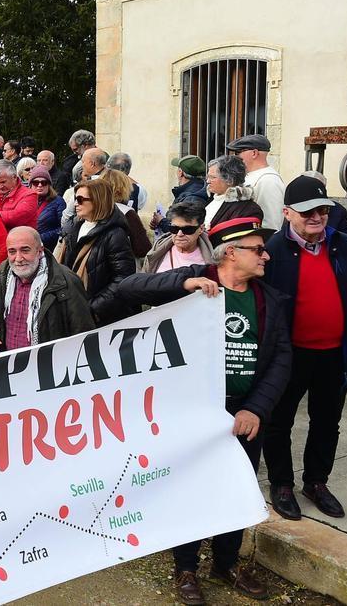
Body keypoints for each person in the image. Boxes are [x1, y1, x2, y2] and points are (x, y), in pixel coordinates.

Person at [116, 217, 290, 604]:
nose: (265, 256)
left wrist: (256, 409)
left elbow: (281, 359)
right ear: (231, 253)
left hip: (244, 415)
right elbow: (127, 288)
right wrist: (184, 284)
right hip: (195, 412)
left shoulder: (269, 299)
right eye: (257, 249)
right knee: (191, 490)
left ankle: (226, 563)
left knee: (235, 490)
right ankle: (186, 568)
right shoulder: (195, 280)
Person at [263, 176, 347, 521]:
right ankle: (282, 483)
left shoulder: (343, 245)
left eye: (322, 210)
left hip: (334, 354)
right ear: (287, 213)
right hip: (289, 356)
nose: (317, 217)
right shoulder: (272, 251)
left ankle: (316, 482)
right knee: (279, 422)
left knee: (326, 422)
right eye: (307, 211)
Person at [0, 226, 94, 353]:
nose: (18, 258)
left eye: (25, 250)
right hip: (9, 361)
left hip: (49, 361)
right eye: (12, 251)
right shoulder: (3, 272)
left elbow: (83, 332)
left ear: (40, 251)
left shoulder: (66, 281)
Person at [61, 178, 137, 326]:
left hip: (101, 317)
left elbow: (123, 279)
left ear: (98, 200)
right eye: (75, 199)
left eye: (80, 199)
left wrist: (92, 308)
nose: (75, 204)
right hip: (73, 306)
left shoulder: (115, 235)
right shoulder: (74, 228)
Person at [227, 134, 285, 231]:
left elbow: (271, 224)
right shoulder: (251, 175)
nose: (235, 157)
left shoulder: (268, 180)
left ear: (254, 153)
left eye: (238, 152)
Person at [142, 201, 213, 273]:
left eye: (187, 229)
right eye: (174, 228)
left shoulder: (213, 252)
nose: (179, 234)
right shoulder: (158, 248)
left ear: (201, 229)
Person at [99, 168, 152, 258]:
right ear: (124, 189)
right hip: (122, 262)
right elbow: (142, 249)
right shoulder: (127, 213)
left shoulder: (91, 210)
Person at [150, 155, 209, 234]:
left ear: (180, 172)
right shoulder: (196, 189)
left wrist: (161, 221)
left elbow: (184, 229)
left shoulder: (192, 197)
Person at [204, 154, 263, 229]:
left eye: (213, 177)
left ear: (230, 180)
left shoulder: (248, 210)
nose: (208, 181)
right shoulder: (210, 199)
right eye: (208, 177)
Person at [0, 160, 39, 230]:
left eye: (3, 182)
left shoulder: (30, 195)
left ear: (14, 177)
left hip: (21, 235)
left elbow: (15, 218)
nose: (0, 186)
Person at [31, 165, 65, 251]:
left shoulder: (58, 201)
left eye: (44, 182)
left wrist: (41, 238)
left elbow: (64, 228)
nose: (39, 185)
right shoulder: (24, 201)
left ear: (49, 185)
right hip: (29, 247)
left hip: (49, 249)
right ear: (31, 185)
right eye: (35, 182)